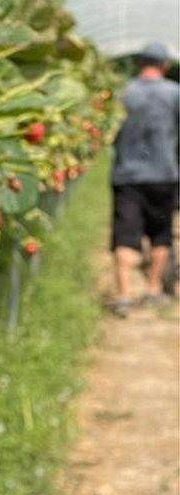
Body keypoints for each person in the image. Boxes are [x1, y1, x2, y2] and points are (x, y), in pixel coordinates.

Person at [110, 42, 179, 315]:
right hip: (164, 174)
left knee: (125, 235)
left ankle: (124, 295)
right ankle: (152, 290)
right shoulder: (175, 94)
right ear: (165, 65)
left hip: (127, 175)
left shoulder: (123, 92)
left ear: (140, 63)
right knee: (161, 233)